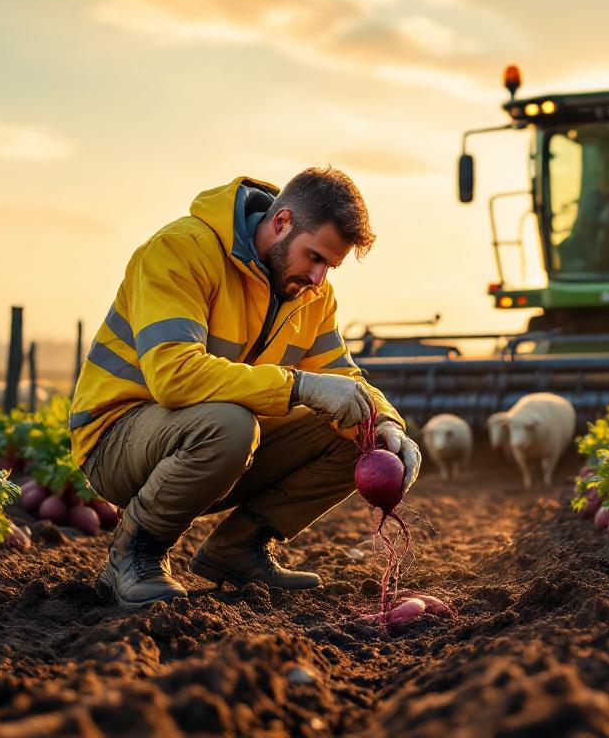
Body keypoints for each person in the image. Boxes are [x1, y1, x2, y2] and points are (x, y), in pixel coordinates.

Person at [68, 167, 421, 609]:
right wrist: (300, 386)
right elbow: (174, 375)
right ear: (281, 222)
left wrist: (385, 424)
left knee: (355, 431)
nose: (318, 278)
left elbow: (343, 378)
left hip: (213, 439)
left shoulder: (311, 295)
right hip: (116, 439)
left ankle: (239, 549)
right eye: (314, 257)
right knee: (231, 425)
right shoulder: (181, 249)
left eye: (330, 267)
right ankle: (134, 554)